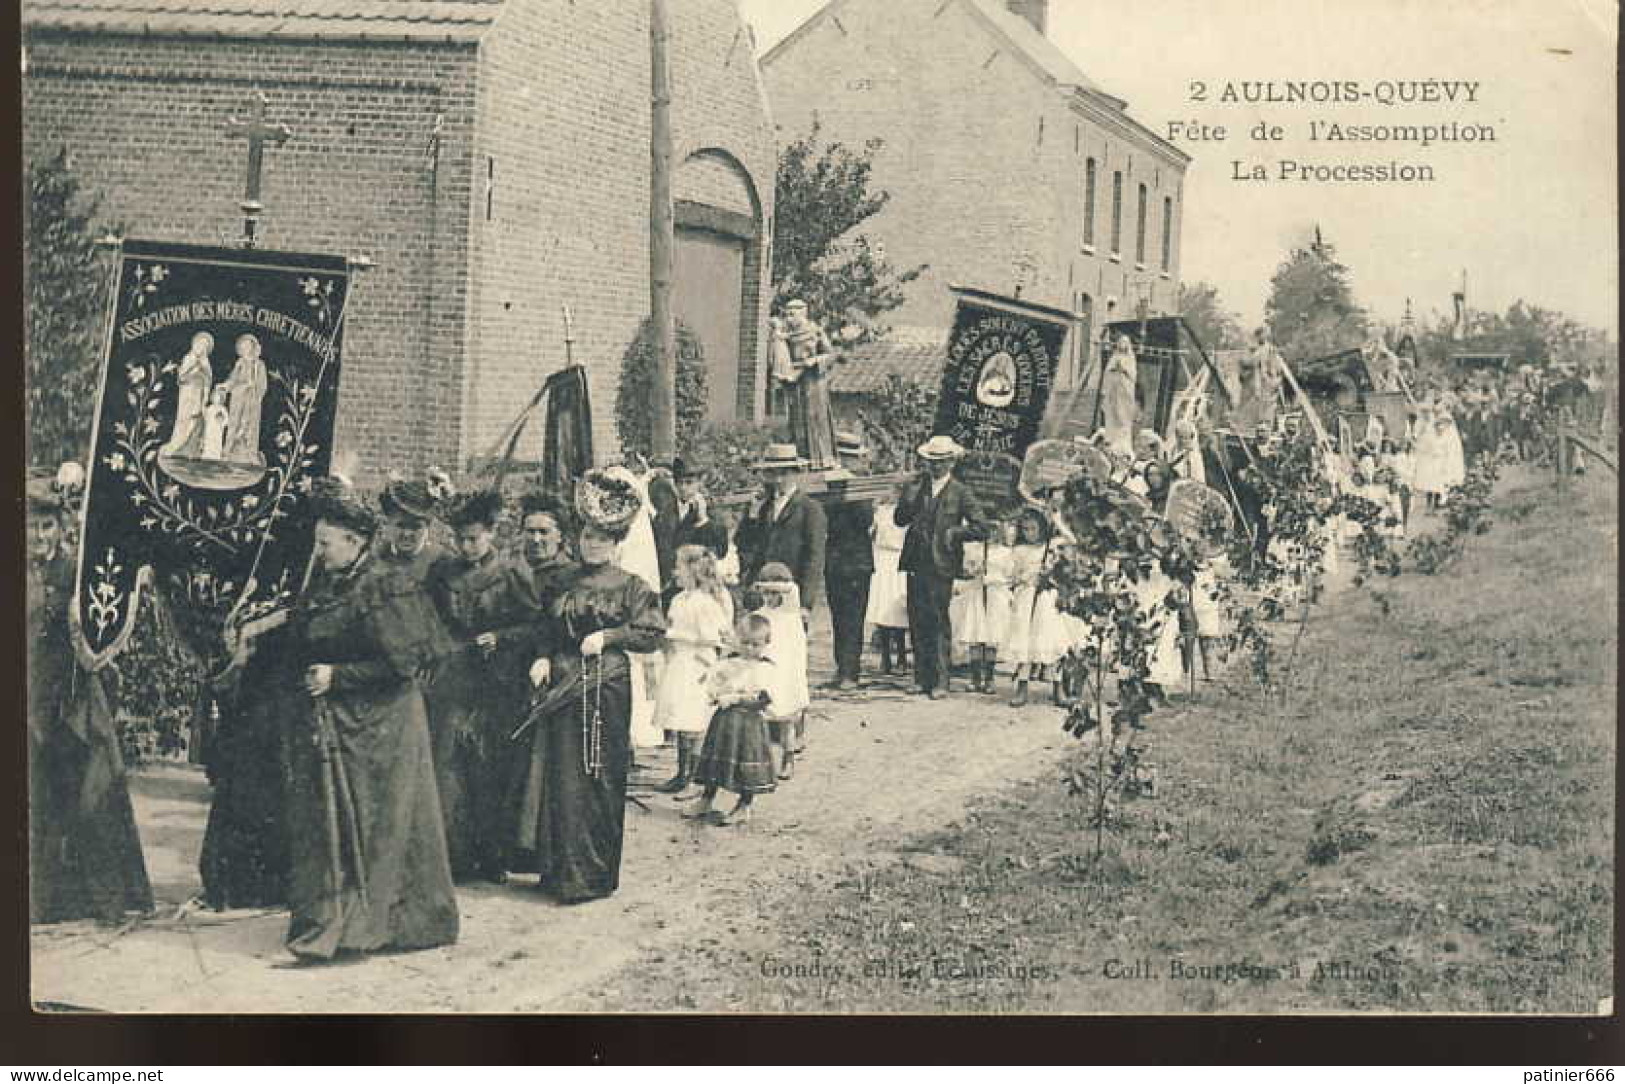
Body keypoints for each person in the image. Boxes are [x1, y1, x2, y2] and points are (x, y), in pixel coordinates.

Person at [281, 478, 458, 961]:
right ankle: (334, 915)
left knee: (380, 823)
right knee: (339, 820)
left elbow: (402, 665)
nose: (318, 552)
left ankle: (378, 923)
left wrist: (337, 675)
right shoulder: (332, 580)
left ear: (354, 543)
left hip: (386, 726)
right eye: (317, 542)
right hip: (345, 722)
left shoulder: (384, 587)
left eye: (325, 543)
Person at [521, 469, 666, 903]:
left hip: (606, 687)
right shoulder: (564, 581)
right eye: (587, 537)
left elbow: (652, 632)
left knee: (596, 773)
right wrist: (543, 656)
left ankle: (592, 875)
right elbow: (544, 627)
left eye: (601, 539)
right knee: (562, 776)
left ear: (617, 543)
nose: (592, 545)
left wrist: (610, 637)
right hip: (562, 683)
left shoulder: (632, 587)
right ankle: (558, 870)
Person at [28, 473, 154, 923]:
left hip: (75, 699)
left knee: (94, 794)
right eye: (31, 526)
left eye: (48, 527)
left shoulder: (77, 571)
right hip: (28, 699)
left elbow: (104, 627)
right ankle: (38, 903)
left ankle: (106, 900)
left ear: (62, 528)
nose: (39, 536)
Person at [424, 490, 539, 883]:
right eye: (461, 539)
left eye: (474, 538)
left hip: (497, 683)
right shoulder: (445, 573)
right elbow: (433, 621)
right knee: (450, 764)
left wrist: (501, 638)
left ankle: (493, 857)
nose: (467, 546)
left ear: (492, 534)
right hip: (454, 677)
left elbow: (534, 625)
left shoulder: (511, 573)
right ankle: (455, 857)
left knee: (490, 767)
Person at [895, 435, 979, 699]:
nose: (936, 467)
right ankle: (921, 678)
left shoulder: (960, 491)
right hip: (916, 562)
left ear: (952, 462)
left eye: (941, 462)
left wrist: (955, 532)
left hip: (941, 564)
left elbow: (982, 526)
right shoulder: (918, 488)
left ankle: (941, 681)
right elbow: (900, 520)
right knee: (917, 620)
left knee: (938, 621)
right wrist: (906, 497)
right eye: (932, 461)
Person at [653, 545, 734, 794]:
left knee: (693, 721)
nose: (674, 571)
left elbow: (712, 638)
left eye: (678, 566)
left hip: (697, 662)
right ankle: (682, 773)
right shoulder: (678, 599)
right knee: (679, 717)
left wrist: (676, 634)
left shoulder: (705, 603)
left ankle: (695, 778)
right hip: (679, 662)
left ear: (693, 570)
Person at [687, 613, 777, 827]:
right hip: (725, 721)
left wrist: (737, 698)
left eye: (755, 644)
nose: (749, 648)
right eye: (745, 643)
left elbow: (763, 699)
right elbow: (713, 684)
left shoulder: (765, 668)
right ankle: (706, 799)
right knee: (715, 759)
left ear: (766, 643)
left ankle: (745, 804)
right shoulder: (729, 663)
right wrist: (715, 693)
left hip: (749, 723)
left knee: (746, 763)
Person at [735, 443, 827, 621]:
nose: (778, 480)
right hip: (760, 591)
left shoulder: (810, 509)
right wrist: (752, 516)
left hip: (790, 592)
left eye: (784, 473)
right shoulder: (762, 506)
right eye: (772, 474)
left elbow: (814, 559)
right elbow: (743, 544)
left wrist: (806, 603)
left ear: (795, 473)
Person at [822, 431, 875, 690]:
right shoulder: (829, 486)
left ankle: (850, 672)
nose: (847, 463)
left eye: (851, 458)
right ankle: (840, 667)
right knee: (837, 616)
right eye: (844, 458)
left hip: (857, 562)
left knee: (853, 617)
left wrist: (849, 489)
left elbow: (865, 521)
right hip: (834, 560)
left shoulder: (861, 488)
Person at [1002, 506, 1065, 707]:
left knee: (1050, 640)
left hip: (1046, 598)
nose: (1030, 533)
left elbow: (1072, 541)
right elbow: (1010, 576)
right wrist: (1026, 578)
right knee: (1025, 641)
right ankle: (1022, 688)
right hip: (1026, 597)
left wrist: (1057, 520)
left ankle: (1059, 688)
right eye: (1025, 529)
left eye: (1033, 529)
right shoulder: (1019, 550)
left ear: (1042, 528)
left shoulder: (1051, 546)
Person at [752, 563, 810, 780]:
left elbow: (796, 653)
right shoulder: (759, 615)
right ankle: (764, 760)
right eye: (766, 593)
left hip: (785, 675)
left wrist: (793, 679)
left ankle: (788, 758)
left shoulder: (791, 619)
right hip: (765, 673)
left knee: (785, 720)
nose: (769, 598)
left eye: (774, 594)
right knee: (763, 718)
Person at [773, 299, 840, 470]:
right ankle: (803, 457)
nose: (788, 319)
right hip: (797, 380)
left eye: (792, 314)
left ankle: (822, 459)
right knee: (797, 419)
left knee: (814, 417)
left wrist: (815, 361)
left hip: (814, 381)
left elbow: (832, 355)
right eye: (786, 315)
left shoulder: (815, 331)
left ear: (802, 314)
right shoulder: (787, 336)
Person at [954, 518, 1016, 695]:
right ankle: (975, 678)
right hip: (977, 591)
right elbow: (966, 570)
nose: (992, 534)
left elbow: (1010, 575)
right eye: (988, 530)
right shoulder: (975, 549)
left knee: (991, 635)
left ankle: (989, 678)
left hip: (996, 593)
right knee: (976, 634)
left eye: (995, 530)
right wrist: (974, 569)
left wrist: (996, 578)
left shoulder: (1006, 553)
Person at [866, 482, 911, 675]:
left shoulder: (907, 513)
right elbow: (871, 534)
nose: (894, 495)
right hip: (881, 560)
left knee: (899, 610)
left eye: (898, 492)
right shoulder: (880, 512)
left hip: (898, 560)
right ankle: (885, 658)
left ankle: (901, 656)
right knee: (881, 610)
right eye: (892, 490)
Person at [377, 478, 450, 585]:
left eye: (415, 527)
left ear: (428, 527)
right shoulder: (375, 558)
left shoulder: (442, 565)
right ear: (389, 523)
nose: (407, 534)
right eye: (400, 525)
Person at [162, 331, 215, 458]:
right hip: (187, 393)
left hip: (199, 394)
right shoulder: (188, 358)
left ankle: (190, 449)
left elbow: (208, 380)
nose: (201, 348)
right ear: (194, 344)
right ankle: (177, 445)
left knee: (195, 419)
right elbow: (181, 378)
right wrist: (194, 371)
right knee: (183, 419)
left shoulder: (206, 362)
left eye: (204, 346)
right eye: (200, 344)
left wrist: (206, 396)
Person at [221, 333, 268, 465]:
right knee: (234, 423)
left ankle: (251, 453)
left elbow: (263, 384)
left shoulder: (260, 365)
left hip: (252, 400)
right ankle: (227, 451)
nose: (246, 349)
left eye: (248, 346)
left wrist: (256, 390)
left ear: (253, 347)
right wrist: (226, 386)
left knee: (251, 426)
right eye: (243, 346)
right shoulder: (240, 363)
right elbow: (233, 379)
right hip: (238, 398)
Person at [1099, 335, 1139, 456]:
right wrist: (1113, 370)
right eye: (1121, 342)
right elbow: (1107, 374)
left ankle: (1123, 444)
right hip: (1113, 393)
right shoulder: (1114, 357)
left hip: (1125, 393)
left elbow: (1133, 376)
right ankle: (1110, 441)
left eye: (1125, 343)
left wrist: (1124, 369)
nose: (1122, 345)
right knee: (1112, 416)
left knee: (1123, 418)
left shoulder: (1130, 358)